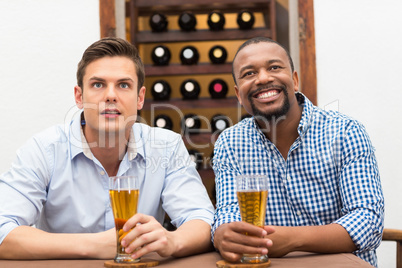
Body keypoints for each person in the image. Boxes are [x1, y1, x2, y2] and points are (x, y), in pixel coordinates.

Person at [0, 37, 214, 260]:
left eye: (123, 85)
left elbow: (203, 220)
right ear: (79, 97)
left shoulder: (166, 147)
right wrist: (95, 245)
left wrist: (171, 241)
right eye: (98, 84)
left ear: (140, 98)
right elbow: (2, 230)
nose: (111, 95)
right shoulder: (44, 150)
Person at [211, 37, 384, 267]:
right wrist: (223, 233)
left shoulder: (345, 132)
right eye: (249, 73)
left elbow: (368, 220)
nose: (263, 78)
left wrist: (291, 239)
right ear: (238, 94)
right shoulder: (229, 143)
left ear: (294, 80)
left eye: (274, 67)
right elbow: (228, 212)